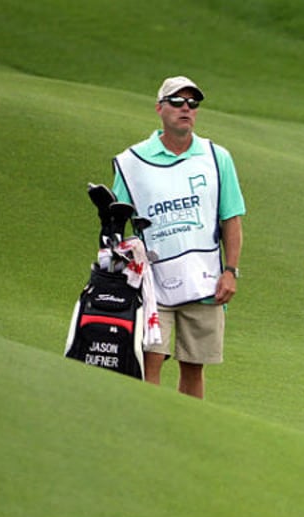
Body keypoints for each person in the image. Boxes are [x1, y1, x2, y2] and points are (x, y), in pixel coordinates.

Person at [111, 75, 246, 399]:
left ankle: (186, 432)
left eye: (192, 103)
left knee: (194, 365)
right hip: (154, 283)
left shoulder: (216, 157)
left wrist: (231, 271)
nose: (186, 108)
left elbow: (231, 218)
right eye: (177, 102)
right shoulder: (132, 162)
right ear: (160, 108)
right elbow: (116, 222)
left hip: (205, 280)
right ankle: (149, 426)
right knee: (151, 358)